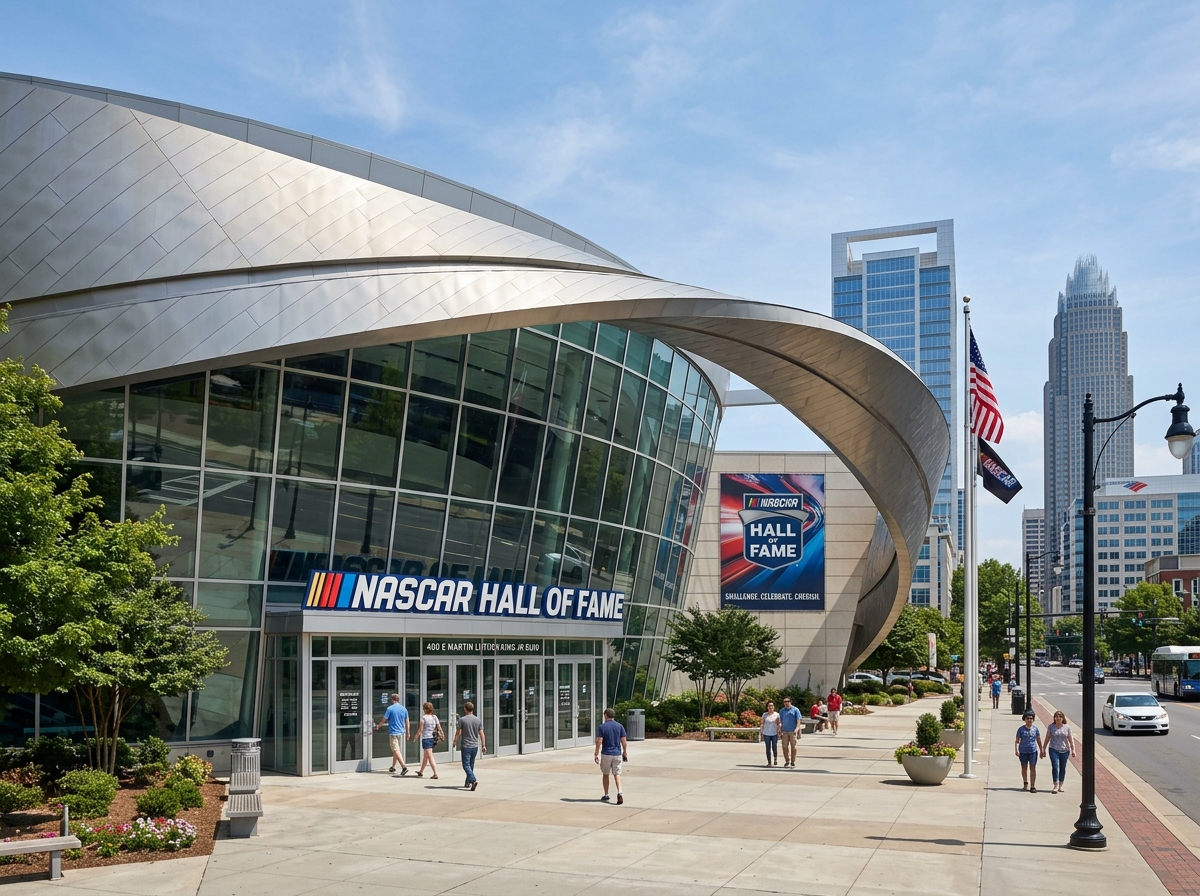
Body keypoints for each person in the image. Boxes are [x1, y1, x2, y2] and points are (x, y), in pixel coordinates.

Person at [594, 707, 628, 804]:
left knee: (605, 774)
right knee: (617, 774)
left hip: (606, 753)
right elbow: (624, 741)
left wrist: (596, 753)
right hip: (617, 753)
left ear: (605, 715)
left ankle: (606, 794)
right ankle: (620, 792)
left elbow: (599, 741)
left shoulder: (602, 727)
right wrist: (624, 752)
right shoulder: (620, 726)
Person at [373, 693, 410, 776]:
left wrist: (378, 726)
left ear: (392, 700)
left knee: (395, 750)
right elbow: (407, 722)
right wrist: (408, 732)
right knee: (396, 750)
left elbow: (384, 719)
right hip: (401, 732)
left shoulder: (390, 709)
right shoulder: (404, 709)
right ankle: (393, 766)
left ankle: (404, 767)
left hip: (393, 732)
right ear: (398, 700)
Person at [453, 700, 486, 791]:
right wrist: (483, 745)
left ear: (465, 709)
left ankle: (473, 780)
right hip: (475, 746)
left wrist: (454, 741)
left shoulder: (462, 720)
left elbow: (458, 732)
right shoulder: (477, 720)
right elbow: (481, 733)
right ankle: (467, 782)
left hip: (466, 746)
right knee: (470, 765)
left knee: (466, 765)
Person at [1042, 710, 1075, 794]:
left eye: (1060, 716)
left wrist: (1073, 750)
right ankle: (1055, 785)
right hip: (1053, 749)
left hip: (1065, 750)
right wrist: (1043, 749)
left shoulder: (1067, 727)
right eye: (1056, 716)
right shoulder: (1051, 727)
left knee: (1062, 768)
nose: (1058, 718)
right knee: (1055, 766)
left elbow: (1071, 739)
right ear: (1054, 718)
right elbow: (1047, 738)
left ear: (1063, 718)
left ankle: (1061, 785)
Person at [412, 701, 443, 779]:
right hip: (432, 738)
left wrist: (416, 736)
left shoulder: (424, 718)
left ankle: (435, 773)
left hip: (426, 738)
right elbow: (439, 727)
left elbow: (420, 729)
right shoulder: (434, 717)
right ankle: (421, 771)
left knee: (429, 756)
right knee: (425, 756)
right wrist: (442, 734)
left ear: (425, 709)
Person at [1015, 710, 1043, 792]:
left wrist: (1042, 750)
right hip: (1023, 751)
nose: (1029, 720)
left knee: (1033, 768)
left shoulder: (1035, 729)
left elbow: (1038, 740)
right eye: (1028, 718)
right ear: (1025, 719)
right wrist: (1016, 750)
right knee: (1024, 767)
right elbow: (1017, 741)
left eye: (1031, 718)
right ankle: (1025, 783)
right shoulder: (1021, 729)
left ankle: (1033, 786)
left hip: (1033, 751)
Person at [778, 696, 802, 767]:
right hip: (785, 731)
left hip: (792, 731)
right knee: (784, 747)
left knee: (793, 747)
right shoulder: (782, 711)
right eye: (785, 702)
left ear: (790, 702)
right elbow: (780, 721)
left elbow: (798, 720)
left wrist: (797, 729)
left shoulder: (795, 710)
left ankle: (793, 761)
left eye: (788, 701)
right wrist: (780, 728)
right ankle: (787, 761)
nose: (786, 703)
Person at [760, 701, 781, 766]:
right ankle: (769, 761)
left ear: (774, 707)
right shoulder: (764, 715)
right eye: (769, 706)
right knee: (767, 747)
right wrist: (761, 732)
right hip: (766, 733)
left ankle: (775, 759)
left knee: (774, 746)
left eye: (772, 706)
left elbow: (779, 723)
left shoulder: (777, 714)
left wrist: (779, 730)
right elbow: (762, 723)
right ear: (767, 707)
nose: (770, 707)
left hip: (774, 733)